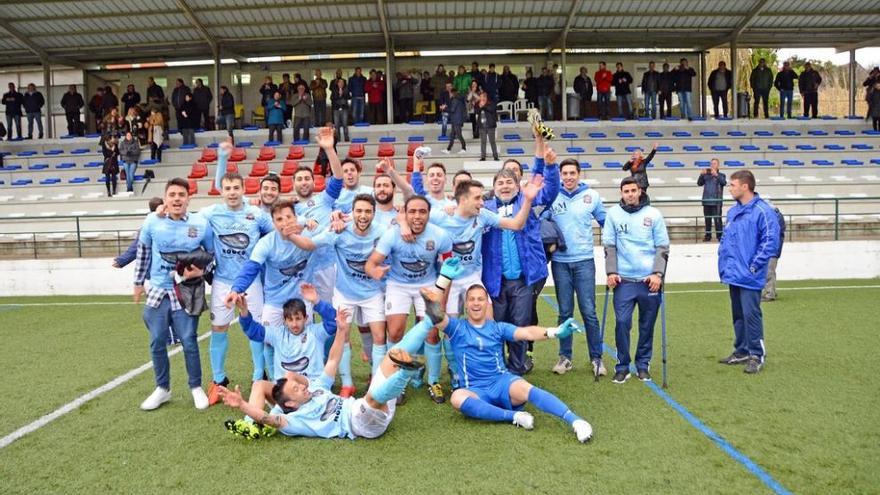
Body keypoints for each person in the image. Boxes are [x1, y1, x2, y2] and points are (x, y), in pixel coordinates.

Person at [219, 286, 446, 441]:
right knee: (372, 397)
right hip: (361, 424)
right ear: (289, 405)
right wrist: (242, 405)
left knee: (391, 356)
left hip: (365, 408)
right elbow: (269, 418)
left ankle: (430, 320)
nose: (301, 386)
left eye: (298, 385)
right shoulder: (293, 420)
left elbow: (334, 358)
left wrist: (342, 329)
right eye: (296, 390)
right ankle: (405, 373)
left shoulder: (317, 387)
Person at [429, 283, 593, 442]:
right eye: (472, 299)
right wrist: (444, 279)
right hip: (475, 389)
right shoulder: (457, 328)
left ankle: (576, 421)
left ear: (487, 303)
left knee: (526, 388)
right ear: (466, 304)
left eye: (480, 299)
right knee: (457, 398)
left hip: (501, 383)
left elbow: (526, 332)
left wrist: (555, 332)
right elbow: (434, 314)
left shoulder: (497, 328)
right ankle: (514, 416)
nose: (476, 303)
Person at [286, 194, 384, 395]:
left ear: (374, 213)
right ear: (352, 213)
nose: (363, 215)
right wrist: (289, 234)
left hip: (371, 293)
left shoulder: (382, 232)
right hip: (345, 293)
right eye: (359, 211)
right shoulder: (339, 231)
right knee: (343, 334)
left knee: (379, 336)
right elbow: (310, 244)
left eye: (367, 211)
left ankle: (376, 383)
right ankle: (347, 384)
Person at [482, 131, 560, 375]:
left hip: (523, 281)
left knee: (519, 326)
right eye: (500, 183)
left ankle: (516, 369)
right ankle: (496, 369)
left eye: (509, 183)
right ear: (493, 188)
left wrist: (547, 159)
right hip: (495, 281)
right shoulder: (485, 208)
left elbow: (544, 185)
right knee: (495, 327)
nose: (504, 186)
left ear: (518, 186)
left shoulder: (528, 203)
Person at [133, 178, 213, 411]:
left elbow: (211, 253)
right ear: (165, 199)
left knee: (189, 339)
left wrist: (203, 269)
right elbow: (143, 251)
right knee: (157, 339)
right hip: (158, 289)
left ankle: (195, 387)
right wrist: (138, 282)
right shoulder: (152, 221)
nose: (177, 199)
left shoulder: (200, 222)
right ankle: (162, 389)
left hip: (189, 290)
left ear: (189, 198)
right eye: (172, 195)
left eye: (181, 195)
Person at [364, 196, 453, 403]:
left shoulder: (440, 236)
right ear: (405, 213)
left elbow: (449, 271)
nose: (417, 216)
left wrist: (443, 301)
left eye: (422, 212)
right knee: (395, 332)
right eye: (412, 211)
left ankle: (433, 381)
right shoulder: (392, 235)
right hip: (398, 286)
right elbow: (370, 264)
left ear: (429, 214)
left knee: (432, 334)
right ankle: (394, 379)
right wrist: (374, 272)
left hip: (428, 285)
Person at [199, 171, 275, 403]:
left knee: (257, 329)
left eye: (236, 188)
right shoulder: (210, 213)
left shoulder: (257, 214)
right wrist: (162, 211)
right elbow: (187, 220)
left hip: (251, 283)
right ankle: (219, 380)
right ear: (221, 191)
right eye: (227, 188)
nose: (232, 192)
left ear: (244, 189)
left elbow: (276, 235)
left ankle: (257, 376)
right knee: (219, 328)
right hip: (222, 281)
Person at [602, 176, 670, 384]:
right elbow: (609, 245)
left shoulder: (653, 214)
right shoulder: (613, 214)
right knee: (622, 323)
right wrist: (611, 272)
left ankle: (643, 364)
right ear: (621, 193)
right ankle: (622, 366)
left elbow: (662, 246)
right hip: (624, 280)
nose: (630, 194)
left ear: (640, 191)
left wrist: (658, 274)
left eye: (633, 190)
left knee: (647, 325)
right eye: (626, 191)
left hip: (649, 280)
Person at [548, 158, 607, 376]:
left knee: (589, 311)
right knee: (564, 312)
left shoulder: (591, 196)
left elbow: (605, 222)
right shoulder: (553, 195)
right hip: (560, 263)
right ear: (560, 175)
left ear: (579, 174)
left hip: (584, 261)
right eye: (565, 173)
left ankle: (597, 358)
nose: (569, 177)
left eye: (572, 173)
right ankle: (565, 358)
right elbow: (541, 221)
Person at [717, 170, 780, 374]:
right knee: (738, 314)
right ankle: (741, 350)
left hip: (749, 274)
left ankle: (756, 354)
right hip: (734, 272)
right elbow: (727, 240)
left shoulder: (763, 211)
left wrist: (754, 266)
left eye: (733, 185)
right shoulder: (733, 212)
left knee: (751, 314)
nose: (730, 188)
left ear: (745, 186)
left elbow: (770, 241)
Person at [698, 158, 726, 241]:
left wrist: (716, 175)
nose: (712, 165)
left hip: (716, 201)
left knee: (717, 219)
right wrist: (701, 175)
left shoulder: (721, 175)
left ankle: (720, 236)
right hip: (706, 201)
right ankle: (708, 236)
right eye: (711, 164)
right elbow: (699, 183)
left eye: (714, 164)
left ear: (718, 165)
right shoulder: (706, 175)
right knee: (707, 219)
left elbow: (723, 182)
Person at [762, 205, 785, 303]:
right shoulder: (777, 218)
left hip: (772, 249)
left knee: (769, 271)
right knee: (770, 271)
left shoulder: (774, 220)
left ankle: (769, 294)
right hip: (773, 249)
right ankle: (771, 291)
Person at [442, 88, 467, 154]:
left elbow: (452, 110)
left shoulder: (455, 100)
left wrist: (444, 108)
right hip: (456, 120)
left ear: (452, 93)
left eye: (450, 93)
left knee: (459, 135)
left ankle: (464, 148)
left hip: (456, 120)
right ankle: (448, 149)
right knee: (452, 135)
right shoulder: (458, 99)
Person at [475, 92, 498, 161]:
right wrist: (480, 106)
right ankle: (483, 156)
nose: (480, 98)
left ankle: (495, 156)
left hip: (490, 125)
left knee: (492, 141)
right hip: (482, 126)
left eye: (481, 97)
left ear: (485, 97)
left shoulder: (491, 103)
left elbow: (491, 109)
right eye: (480, 97)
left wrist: (483, 106)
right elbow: (476, 111)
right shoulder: (477, 104)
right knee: (483, 141)